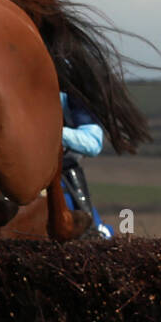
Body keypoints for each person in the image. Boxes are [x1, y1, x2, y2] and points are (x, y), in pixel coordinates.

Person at [59, 91, 112, 238]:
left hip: (60, 174)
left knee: (95, 235)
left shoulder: (70, 90)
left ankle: (94, 232)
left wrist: (50, 131)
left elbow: (92, 142)